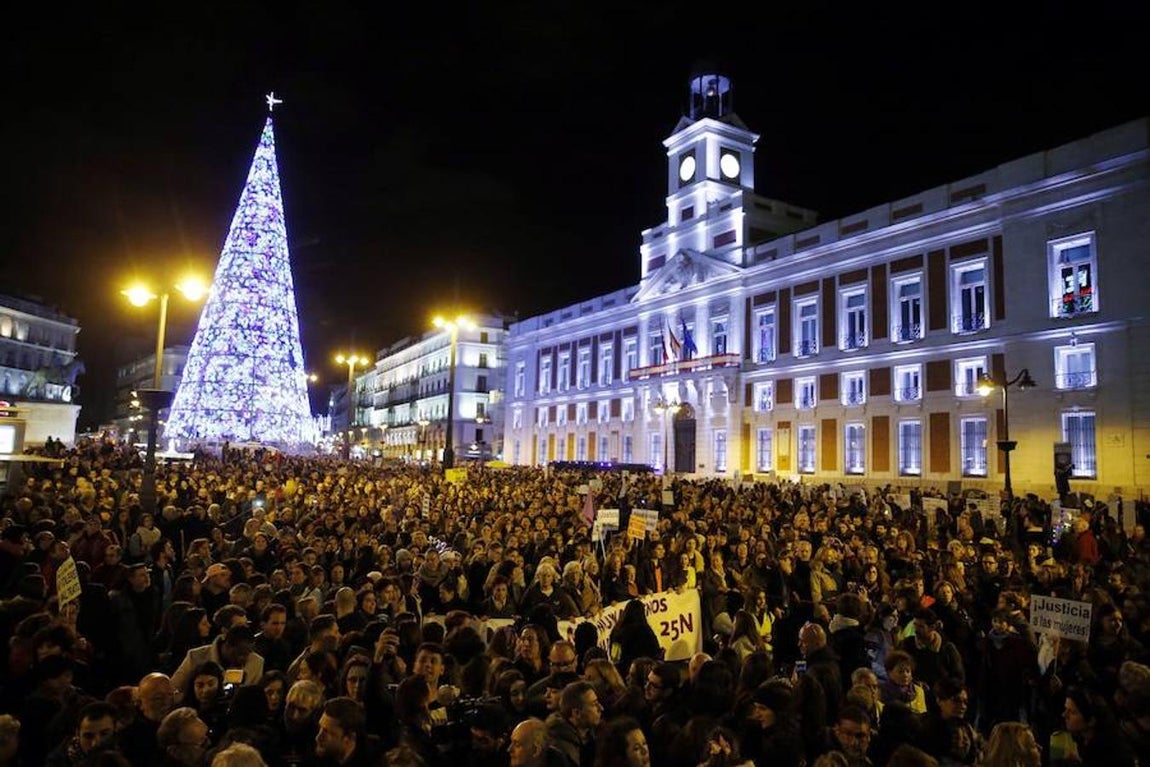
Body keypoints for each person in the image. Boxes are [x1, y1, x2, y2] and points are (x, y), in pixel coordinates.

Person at [171, 624, 264, 701]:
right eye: (240, 654)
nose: (244, 658)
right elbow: (174, 688)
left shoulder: (256, 663)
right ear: (227, 646)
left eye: (248, 653)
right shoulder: (196, 657)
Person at [45, 701, 121, 767]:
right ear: (77, 733)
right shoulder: (58, 762)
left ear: (115, 729)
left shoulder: (125, 751)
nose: (95, 743)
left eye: (104, 734)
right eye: (88, 736)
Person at [546, 681, 603, 767]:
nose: (601, 708)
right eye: (594, 704)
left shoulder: (593, 733)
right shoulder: (560, 749)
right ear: (576, 713)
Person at [315, 696, 375, 766]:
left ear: (349, 738)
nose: (318, 738)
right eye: (320, 728)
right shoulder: (321, 754)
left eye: (327, 732)